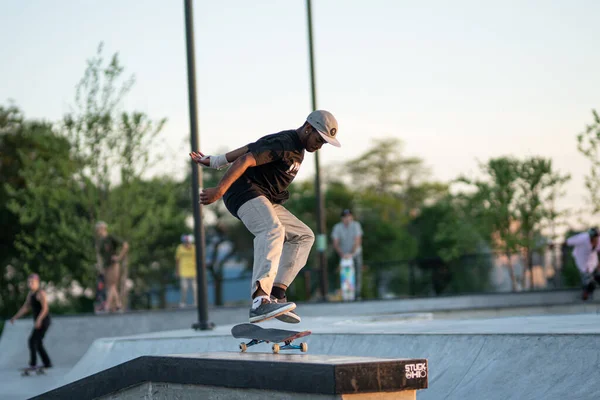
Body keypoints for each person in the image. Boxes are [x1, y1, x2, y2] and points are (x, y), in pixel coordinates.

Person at [190, 110, 339, 323]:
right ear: (308, 128)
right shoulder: (284, 142)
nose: (319, 145)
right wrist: (219, 190)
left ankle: (276, 295)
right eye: (319, 139)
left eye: (324, 143)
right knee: (272, 229)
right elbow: (245, 160)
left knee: (304, 236)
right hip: (243, 192)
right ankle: (260, 300)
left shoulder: (295, 147)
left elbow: (252, 147)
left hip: (266, 200)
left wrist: (216, 160)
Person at [10, 273, 53, 370]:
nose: (30, 284)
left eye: (32, 282)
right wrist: (15, 317)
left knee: (32, 341)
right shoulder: (30, 294)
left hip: (44, 321)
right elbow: (25, 307)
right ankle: (47, 363)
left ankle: (33, 364)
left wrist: (39, 320)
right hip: (39, 322)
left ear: (37, 283)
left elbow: (45, 308)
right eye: (29, 282)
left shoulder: (40, 293)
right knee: (38, 343)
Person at [95, 221, 129, 313]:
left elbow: (125, 245)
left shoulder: (110, 237)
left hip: (113, 264)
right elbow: (101, 256)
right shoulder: (100, 241)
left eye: (98, 229)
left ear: (102, 228)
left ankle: (107, 306)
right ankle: (118, 305)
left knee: (112, 285)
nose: (97, 231)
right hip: (106, 266)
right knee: (110, 286)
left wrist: (119, 257)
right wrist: (100, 267)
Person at [331, 209, 364, 300]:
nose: (347, 218)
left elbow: (357, 241)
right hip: (343, 255)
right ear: (342, 218)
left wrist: (351, 254)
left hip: (355, 253)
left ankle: (357, 294)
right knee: (343, 273)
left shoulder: (356, 225)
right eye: (345, 217)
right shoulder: (337, 227)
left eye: (349, 216)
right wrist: (342, 254)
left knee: (357, 272)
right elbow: (335, 243)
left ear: (351, 217)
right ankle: (345, 293)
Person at [566, 228, 600, 300]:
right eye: (593, 239)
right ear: (590, 237)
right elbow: (568, 242)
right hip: (581, 261)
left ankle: (588, 289)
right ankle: (585, 295)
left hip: (593, 262)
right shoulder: (582, 238)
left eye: (596, 239)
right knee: (588, 280)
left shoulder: (599, 241)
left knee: (597, 277)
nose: (595, 242)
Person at [176, 234, 197, 308]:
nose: (187, 243)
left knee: (194, 288)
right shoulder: (180, 248)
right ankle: (183, 302)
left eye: (188, 242)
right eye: (185, 242)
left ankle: (196, 302)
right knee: (184, 287)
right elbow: (177, 260)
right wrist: (177, 271)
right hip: (183, 271)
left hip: (193, 271)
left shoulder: (194, 248)